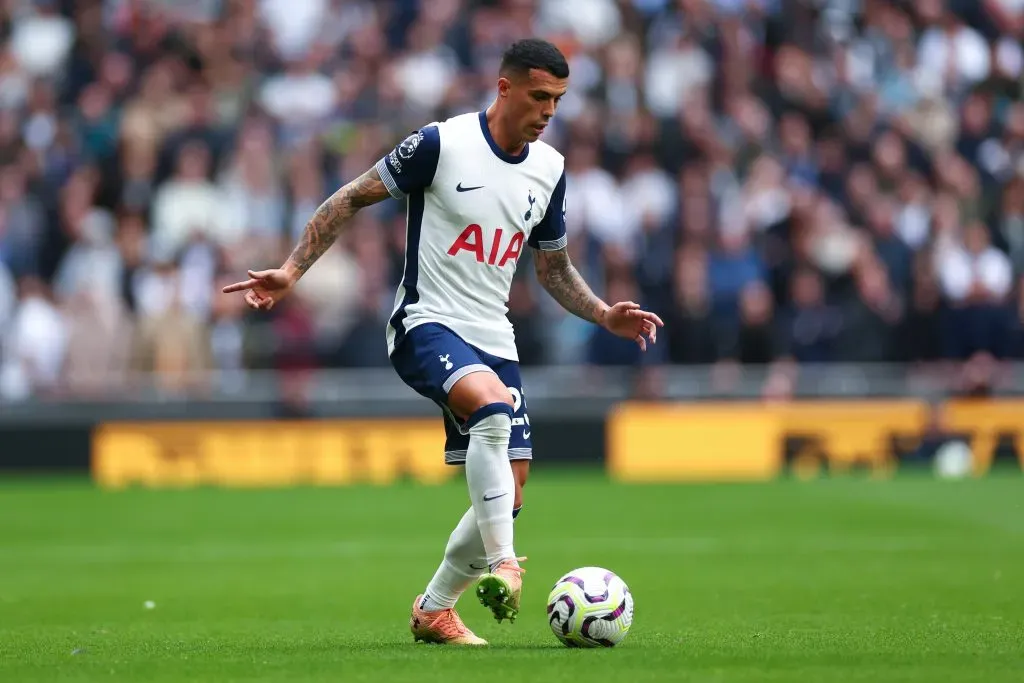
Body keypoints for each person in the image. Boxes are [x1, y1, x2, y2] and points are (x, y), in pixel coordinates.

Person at [223, 39, 663, 645]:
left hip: (494, 336)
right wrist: (292, 270)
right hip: (424, 321)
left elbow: (553, 268)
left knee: (512, 483)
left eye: (558, 100)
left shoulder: (550, 170)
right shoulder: (440, 144)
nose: (548, 111)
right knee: (491, 409)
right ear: (504, 87)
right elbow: (350, 196)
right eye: (539, 96)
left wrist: (602, 313)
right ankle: (507, 565)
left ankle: (434, 609)